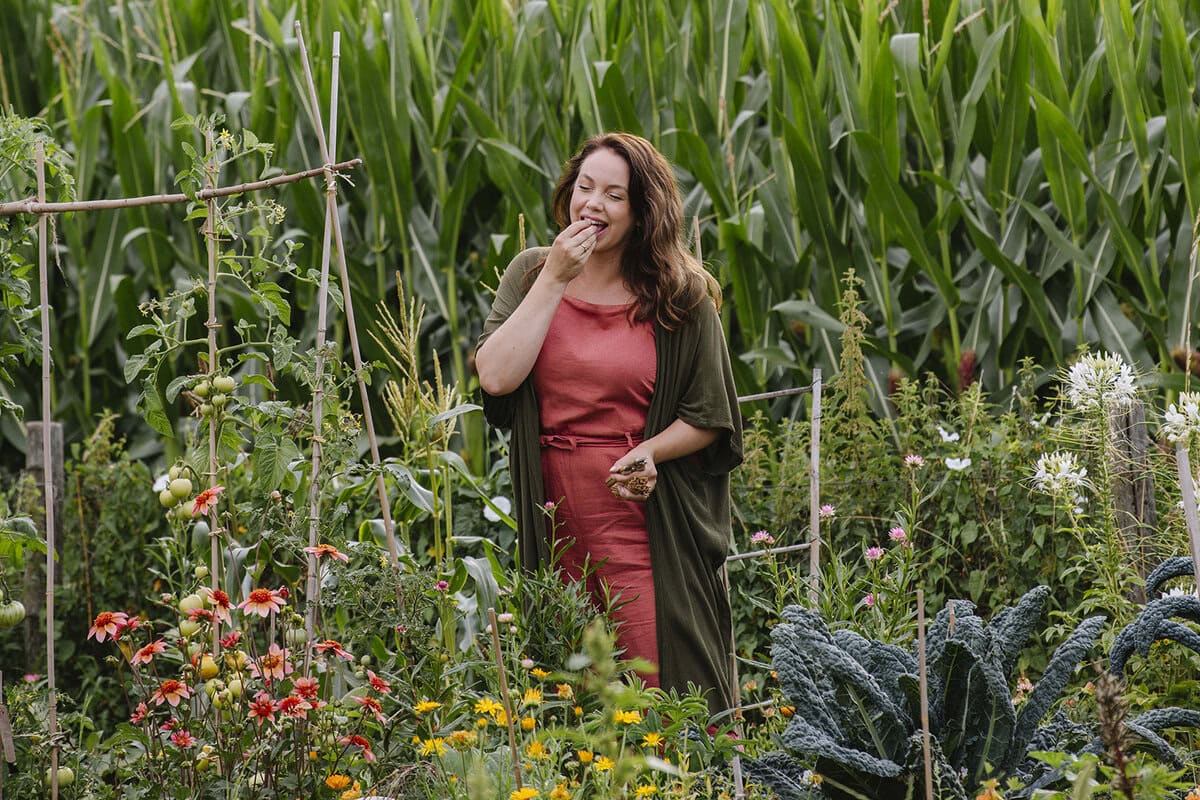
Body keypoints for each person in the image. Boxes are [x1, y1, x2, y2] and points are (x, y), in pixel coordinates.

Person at [475, 132, 743, 717]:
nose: (592, 203)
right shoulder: (531, 274)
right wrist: (555, 278)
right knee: (569, 687)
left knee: (653, 682)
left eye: (613, 195)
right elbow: (495, 376)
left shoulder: (680, 294)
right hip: (555, 511)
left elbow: (710, 416)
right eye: (585, 187)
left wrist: (652, 451)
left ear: (643, 212)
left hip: (641, 514)